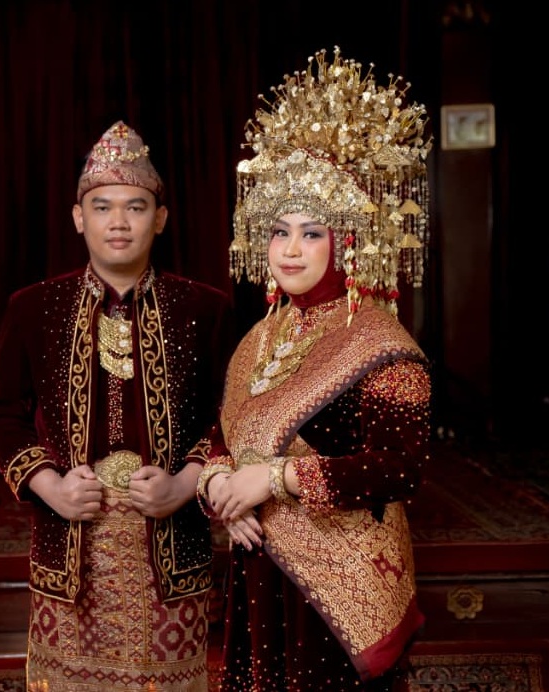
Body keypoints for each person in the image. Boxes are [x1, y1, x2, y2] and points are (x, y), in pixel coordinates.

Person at [197, 47, 433, 691]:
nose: (291, 250)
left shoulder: (379, 341)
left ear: (346, 242)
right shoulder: (259, 338)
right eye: (279, 232)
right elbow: (222, 438)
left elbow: (400, 468)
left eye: (312, 233)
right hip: (260, 568)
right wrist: (223, 492)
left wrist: (274, 477)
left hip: (341, 590)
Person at [0, 120, 234, 691]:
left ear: (160, 218)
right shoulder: (33, 308)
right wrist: (49, 486)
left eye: (135, 207)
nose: (118, 221)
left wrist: (185, 483)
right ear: (79, 217)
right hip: (70, 534)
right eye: (102, 207)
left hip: (170, 538)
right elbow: (1, 414)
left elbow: (232, 416)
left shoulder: (204, 309)